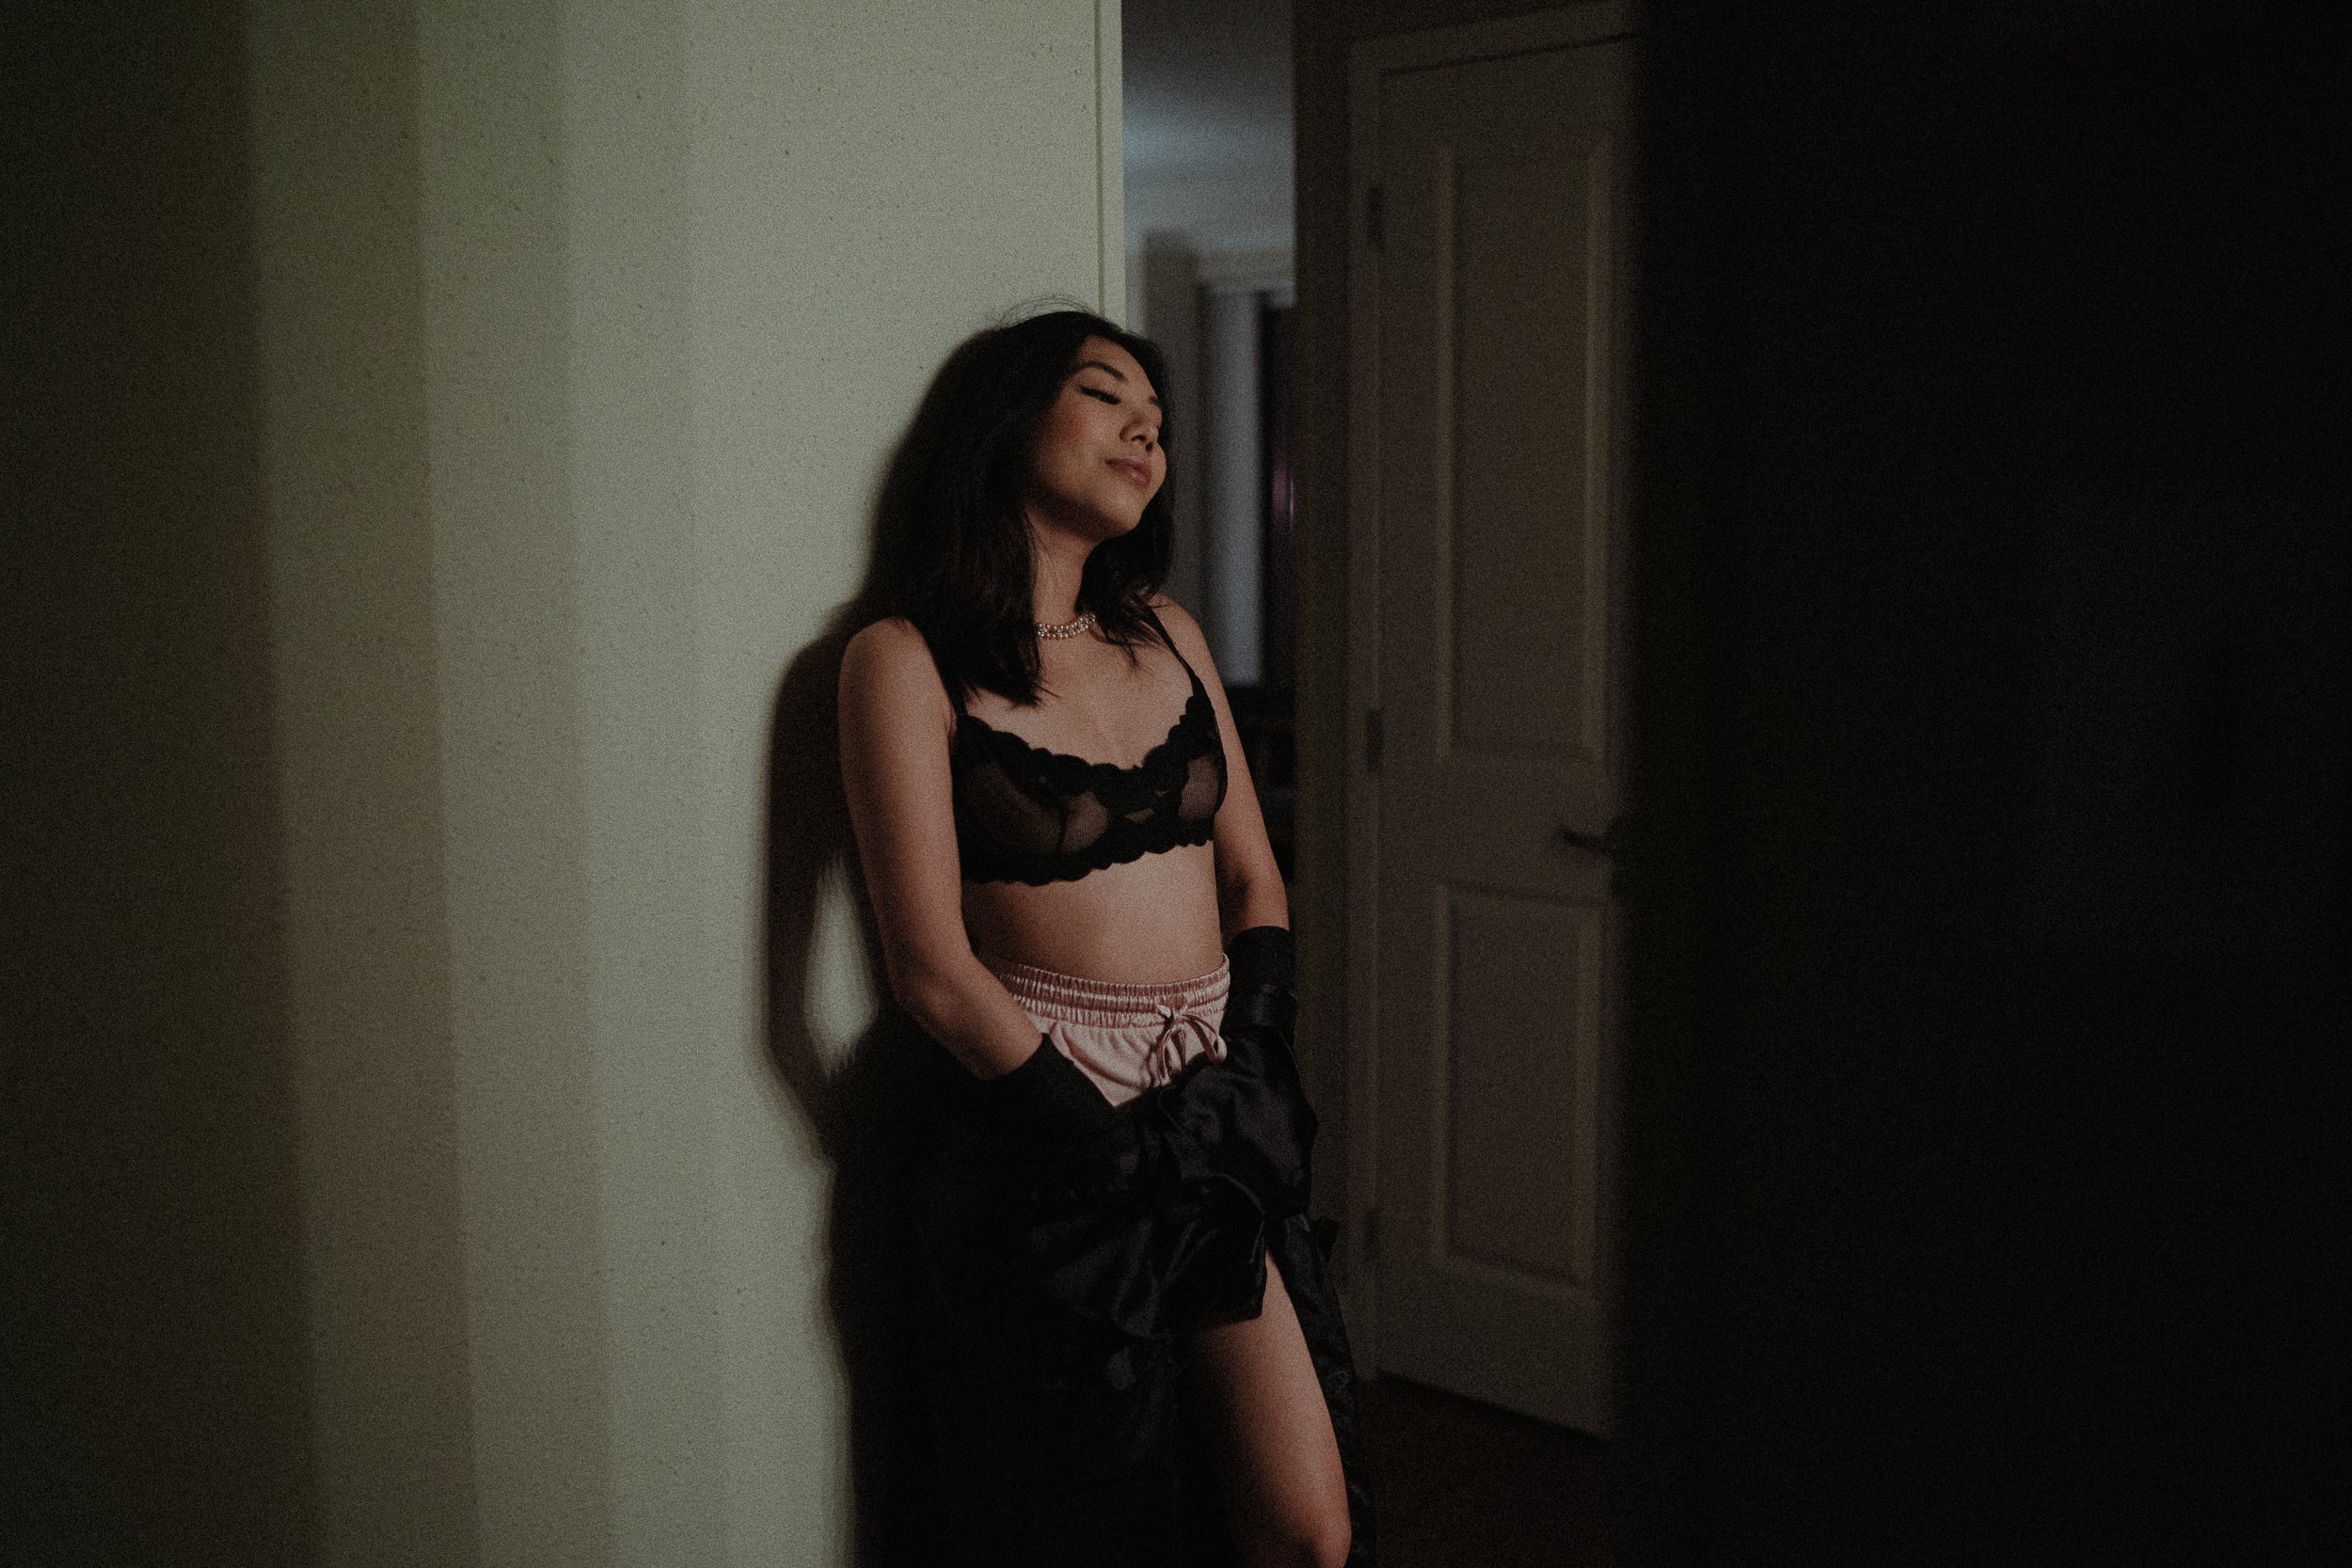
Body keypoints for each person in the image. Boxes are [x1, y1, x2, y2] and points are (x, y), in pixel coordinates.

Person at [837, 308, 1373, 1567]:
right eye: (1106, 394)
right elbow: (929, 968)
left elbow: (1254, 875)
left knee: (1305, 1527)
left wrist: (1249, 1062)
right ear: (1008, 419)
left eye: (1160, 419)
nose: (1147, 431)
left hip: (1210, 1095)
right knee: (1084, 1518)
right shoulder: (901, 659)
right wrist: (1092, 1129)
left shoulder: (1168, 631)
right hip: (1040, 1120)